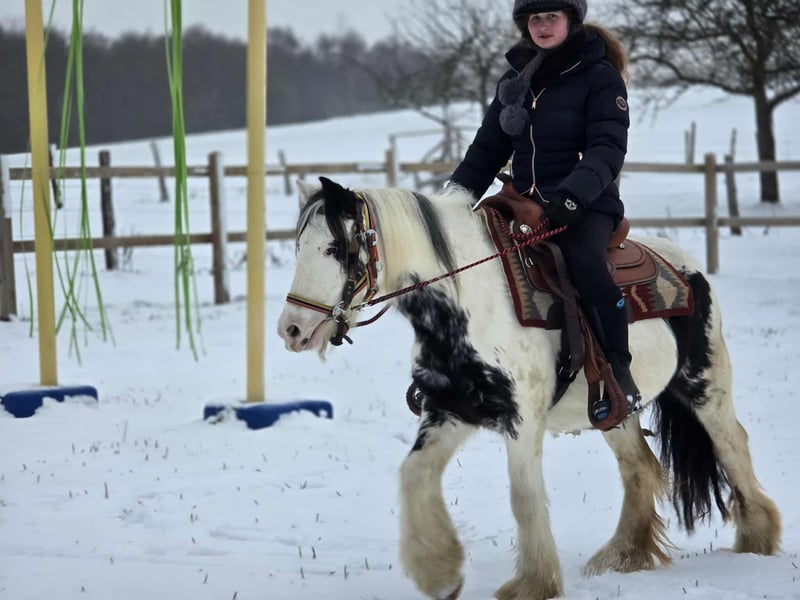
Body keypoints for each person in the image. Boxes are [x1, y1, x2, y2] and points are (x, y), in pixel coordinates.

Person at [448, 0, 641, 428]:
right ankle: (451, 366)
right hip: (522, 202)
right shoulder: (515, 81)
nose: (542, 25)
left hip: (585, 204)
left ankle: (618, 370)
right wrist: (452, 201)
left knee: (586, 264)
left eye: (552, 16)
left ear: (572, 19)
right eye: (534, 18)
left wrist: (573, 196)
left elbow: (607, 147)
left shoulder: (599, 77)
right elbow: (486, 151)